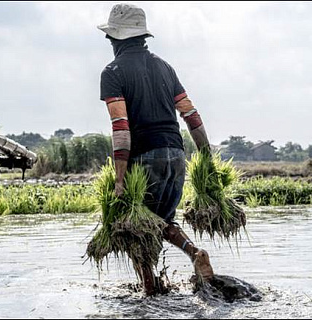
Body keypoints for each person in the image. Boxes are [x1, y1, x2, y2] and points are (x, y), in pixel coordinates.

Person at [97, 3, 214, 296]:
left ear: (116, 39)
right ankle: (193, 252)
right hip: (176, 156)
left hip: (143, 159)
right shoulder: (165, 67)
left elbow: (121, 128)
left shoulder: (112, 72)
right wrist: (206, 159)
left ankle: (150, 290)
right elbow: (192, 116)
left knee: (136, 226)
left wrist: (120, 179)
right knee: (161, 222)